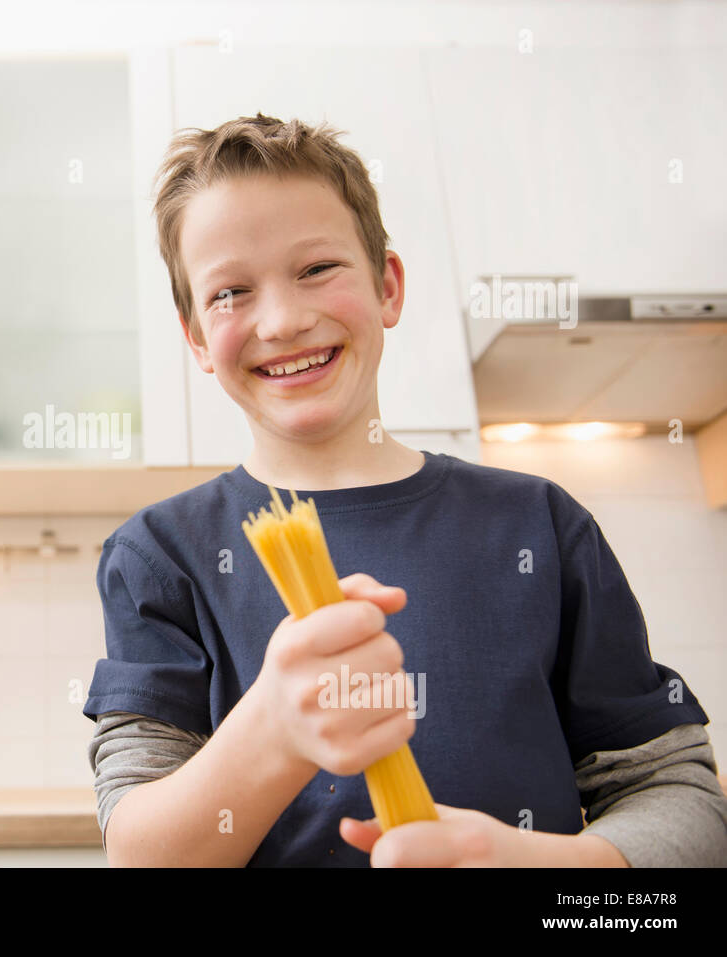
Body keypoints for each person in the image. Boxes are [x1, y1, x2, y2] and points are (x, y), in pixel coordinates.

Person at [83, 114, 727, 867]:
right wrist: (274, 731)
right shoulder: (157, 556)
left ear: (387, 286)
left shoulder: (540, 524)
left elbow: (683, 799)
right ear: (196, 336)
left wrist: (538, 864)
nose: (285, 320)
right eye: (230, 292)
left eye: (318, 268)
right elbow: (141, 853)